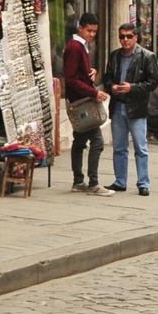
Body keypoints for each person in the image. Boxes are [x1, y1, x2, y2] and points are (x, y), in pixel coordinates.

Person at [105, 24, 158, 196]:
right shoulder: (114, 56)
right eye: (122, 37)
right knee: (119, 147)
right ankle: (120, 181)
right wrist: (111, 87)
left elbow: (153, 82)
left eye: (129, 36)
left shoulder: (147, 56)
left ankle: (143, 183)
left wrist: (132, 87)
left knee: (140, 147)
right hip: (118, 105)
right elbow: (107, 78)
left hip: (136, 108)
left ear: (136, 37)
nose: (125, 40)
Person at [63, 12, 109, 196]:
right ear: (80, 28)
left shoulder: (80, 46)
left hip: (80, 99)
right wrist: (94, 92)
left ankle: (78, 180)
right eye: (89, 31)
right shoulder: (75, 47)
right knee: (97, 141)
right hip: (82, 102)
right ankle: (93, 182)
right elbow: (71, 78)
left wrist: (90, 72)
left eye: (94, 32)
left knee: (80, 140)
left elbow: (77, 74)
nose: (92, 35)